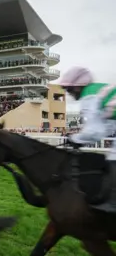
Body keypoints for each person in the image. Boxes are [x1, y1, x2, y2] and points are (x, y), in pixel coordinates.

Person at [56, 66, 116, 212]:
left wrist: (75, 138)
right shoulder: (98, 90)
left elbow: (95, 131)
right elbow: (107, 126)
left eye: (69, 89)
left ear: (78, 86)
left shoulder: (89, 96)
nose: (69, 93)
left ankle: (113, 204)